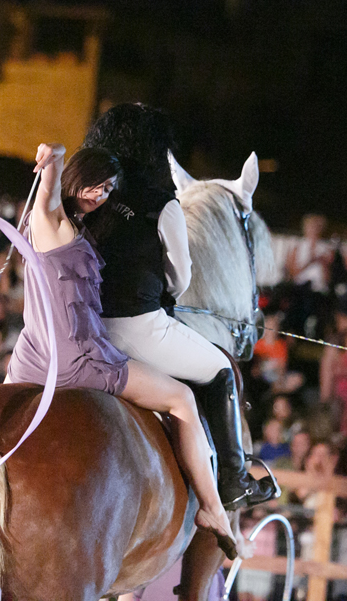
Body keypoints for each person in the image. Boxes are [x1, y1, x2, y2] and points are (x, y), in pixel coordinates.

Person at [6, 142, 237, 557]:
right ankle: (214, 509)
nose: (101, 195)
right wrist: (53, 155)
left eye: (109, 189)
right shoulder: (51, 219)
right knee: (182, 398)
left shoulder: (66, 223)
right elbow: (50, 184)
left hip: (30, 359)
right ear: (77, 177)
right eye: (96, 185)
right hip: (79, 360)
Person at [80, 103, 278, 509]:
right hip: (134, 329)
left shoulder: (88, 194)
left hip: (76, 325)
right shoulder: (162, 203)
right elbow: (180, 279)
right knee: (221, 369)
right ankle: (233, 480)